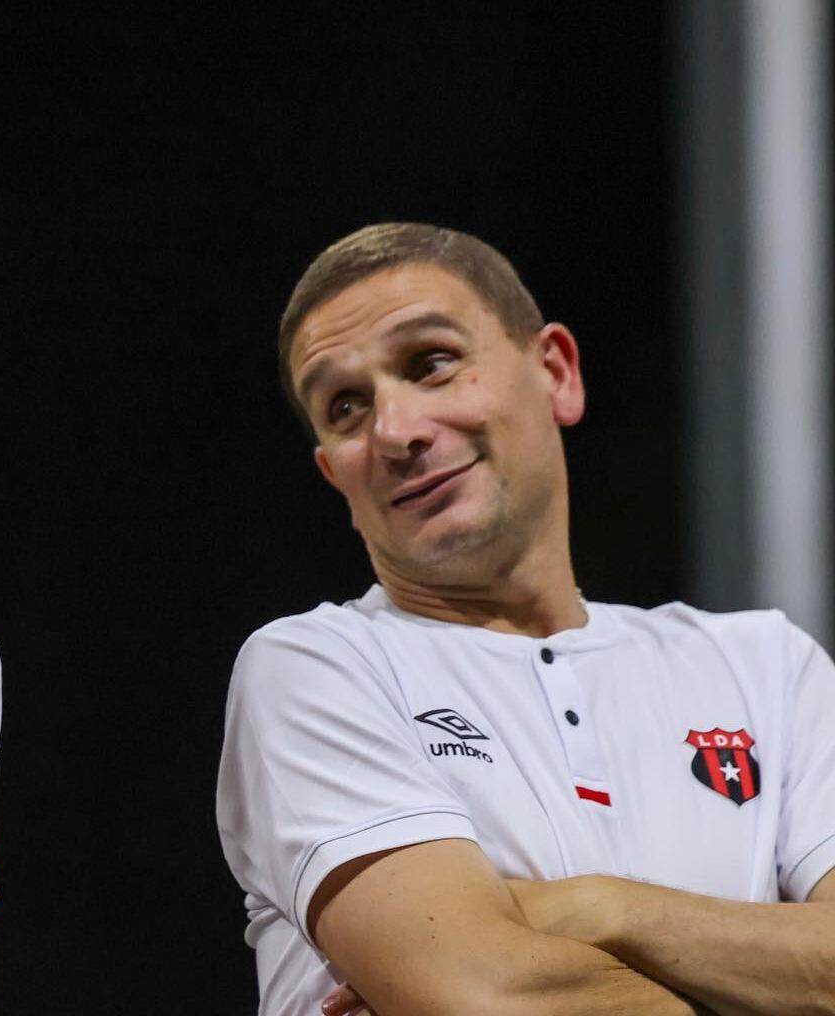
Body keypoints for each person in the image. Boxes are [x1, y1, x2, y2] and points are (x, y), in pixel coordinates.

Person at [215, 223, 835, 1016]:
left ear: (556, 373)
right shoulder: (315, 667)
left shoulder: (766, 666)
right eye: (345, 407)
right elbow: (493, 996)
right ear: (333, 472)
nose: (396, 430)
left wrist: (601, 909)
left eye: (430, 363)